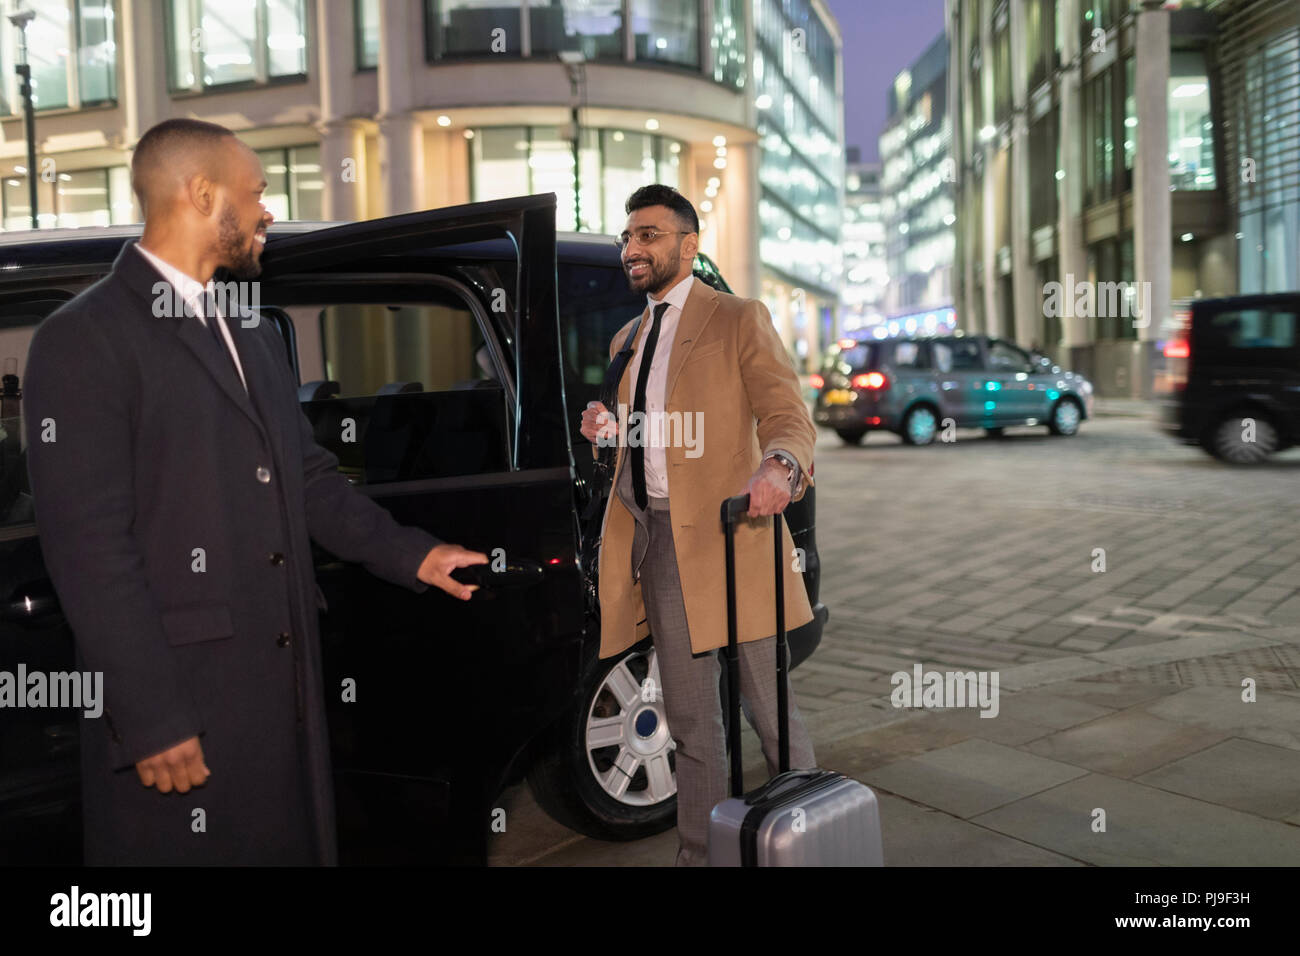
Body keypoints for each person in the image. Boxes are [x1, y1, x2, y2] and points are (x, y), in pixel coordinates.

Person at [22, 118, 487, 865]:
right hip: (183, 704)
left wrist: (413, 555)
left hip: (280, 687)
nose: (268, 209)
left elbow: (305, 478)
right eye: (257, 192)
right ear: (202, 195)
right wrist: (150, 716)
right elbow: (88, 549)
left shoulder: (252, 333)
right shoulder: (83, 338)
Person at [579, 184, 818, 866]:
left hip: (732, 540)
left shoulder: (737, 318)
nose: (633, 249)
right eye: (628, 237)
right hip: (656, 542)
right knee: (690, 724)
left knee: (770, 714)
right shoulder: (629, 337)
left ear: (689, 244)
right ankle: (701, 855)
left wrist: (779, 467)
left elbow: (786, 415)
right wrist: (607, 429)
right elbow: (643, 439)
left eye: (649, 235)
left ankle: (814, 841)